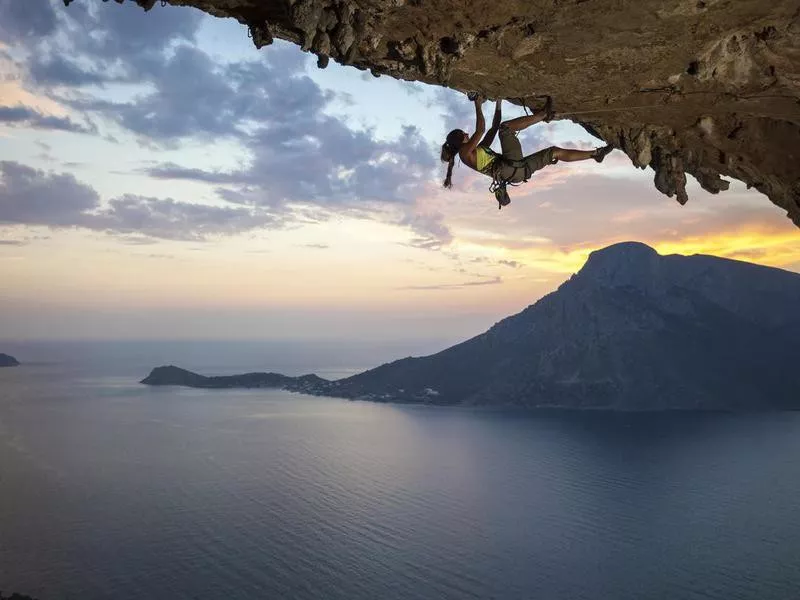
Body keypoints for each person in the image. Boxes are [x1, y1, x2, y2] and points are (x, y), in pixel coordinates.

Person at [440, 96, 613, 205]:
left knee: (554, 152)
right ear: (460, 141)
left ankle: (596, 155)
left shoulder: (477, 151)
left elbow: (492, 128)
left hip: (517, 172)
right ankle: (542, 115)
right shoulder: (464, 153)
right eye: (464, 134)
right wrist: (477, 105)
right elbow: (481, 129)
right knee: (505, 129)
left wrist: (499, 101)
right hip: (510, 167)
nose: (468, 134)